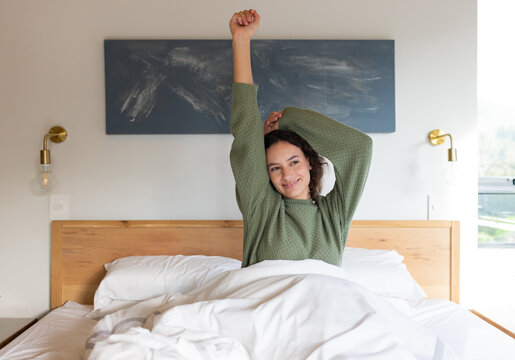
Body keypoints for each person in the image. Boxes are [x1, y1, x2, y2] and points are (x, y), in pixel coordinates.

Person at [229, 9, 373, 268]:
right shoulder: (262, 209)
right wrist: (241, 40)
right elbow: (245, 125)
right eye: (275, 168)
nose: (286, 175)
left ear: (309, 161)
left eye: (293, 162)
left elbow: (360, 148)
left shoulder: (334, 214)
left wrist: (289, 119)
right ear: (266, 174)